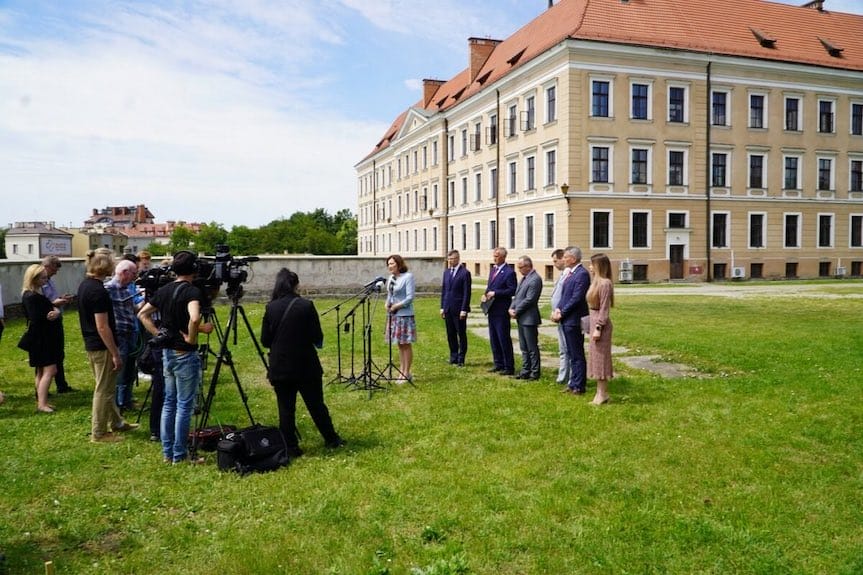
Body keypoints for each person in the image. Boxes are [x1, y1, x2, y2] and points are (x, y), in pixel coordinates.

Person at [138, 251, 212, 463]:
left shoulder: (164, 290)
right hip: (184, 355)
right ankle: (180, 454)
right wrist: (192, 337)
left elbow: (142, 314)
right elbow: (195, 317)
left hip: (167, 353)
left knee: (169, 403)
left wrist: (158, 334)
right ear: (194, 270)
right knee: (184, 405)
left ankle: (167, 452)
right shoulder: (192, 291)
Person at [261, 268, 344, 456]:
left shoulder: (271, 307)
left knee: (285, 409)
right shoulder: (306, 305)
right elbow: (317, 336)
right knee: (316, 405)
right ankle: (331, 438)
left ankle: (290, 446)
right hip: (306, 364)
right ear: (296, 285)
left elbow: (265, 340)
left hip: (280, 365)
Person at [77, 249, 138, 442]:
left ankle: (117, 422)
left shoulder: (85, 285)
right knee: (103, 390)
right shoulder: (99, 291)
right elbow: (102, 326)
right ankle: (99, 433)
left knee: (106, 387)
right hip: (101, 345)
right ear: (105, 267)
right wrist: (115, 353)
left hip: (91, 343)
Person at [21, 264, 64, 413]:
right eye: (43, 278)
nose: (45, 280)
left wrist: (55, 310)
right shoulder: (32, 297)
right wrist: (54, 313)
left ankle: (41, 401)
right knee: (50, 370)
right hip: (42, 339)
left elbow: (49, 309)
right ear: (34, 279)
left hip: (40, 338)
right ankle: (42, 404)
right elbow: (39, 317)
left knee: (41, 371)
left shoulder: (30, 295)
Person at [551, 246, 590, 395]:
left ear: (573, 259)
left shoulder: (582, 274)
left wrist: (562, 312)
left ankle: (579, 385)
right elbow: (564, 295)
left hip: (574, 319)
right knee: (572, 353)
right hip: (566, 318)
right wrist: (558, 309)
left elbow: (576, 298)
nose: (564, 259)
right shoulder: (570, 273)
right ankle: (573, 383)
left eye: (566, 257)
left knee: (577, 353)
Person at [105, 259, 141, 410]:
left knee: (130, 368)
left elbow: (134, 309)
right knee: (121, 367)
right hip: (119, 333)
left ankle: (127, 399)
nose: (135, 277)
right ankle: (118, 402)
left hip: (131, 331)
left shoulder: (126, 289)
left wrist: (148, 300)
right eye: (134, 273)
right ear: (125, 272)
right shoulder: (108, 289)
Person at [41, 256, 76, 393]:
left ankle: (61, 384)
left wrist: (61, 298)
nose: (56, 272)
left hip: (56, 319)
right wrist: (58, 302)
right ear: (47, 266)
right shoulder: (39, 282)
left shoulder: (49, 280)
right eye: (55, 268)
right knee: (47, 355)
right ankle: (43, 388)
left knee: (59, 353)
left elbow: (51, 298)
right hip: (48, 320)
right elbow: (43, 302)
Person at [482, 247, 517, 375]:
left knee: (503, 337)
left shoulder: (509, 272)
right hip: (491, 308)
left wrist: (496, 293)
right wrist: (485, 294)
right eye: (494, 255)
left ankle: (508, 366)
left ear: (503, 257)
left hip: (501, 309)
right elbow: (489, 287)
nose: (494, 258)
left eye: (497, 256)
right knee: (494, 338)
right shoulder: (493, 270)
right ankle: (498, 363)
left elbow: (512, 290)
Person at [509, 256, 543, 380]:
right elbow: (517, 296)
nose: (519, 270)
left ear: (528, 266)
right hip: (521, 317)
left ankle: (534, 372)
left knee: (531, 346)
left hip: (529, 318)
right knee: (523, 347)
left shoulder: (535, 279)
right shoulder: (524, 279)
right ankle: (525, 370)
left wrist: (516, 310)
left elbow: (530, 299)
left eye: (521, 267)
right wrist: (511, 308)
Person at [587, 253, 614, 405]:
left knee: (601, 359)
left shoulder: (605, 283)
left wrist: (598, 327)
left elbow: (604, 308)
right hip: (593, 321)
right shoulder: (595, 282)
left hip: (600, 325)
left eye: (592, 264)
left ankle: (602, 394)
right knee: (595, 358)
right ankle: (600, 393)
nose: (590, 267)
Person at [385, 254, 416, 382]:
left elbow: (410, 297)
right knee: (399, 344)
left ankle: (406, 373)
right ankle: (401, 371)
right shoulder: (391, 278)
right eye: (388, 264)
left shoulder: (408, 277)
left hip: (405, 315)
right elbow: (390, 295)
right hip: (393, 315)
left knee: (405, 344)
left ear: (399, 264)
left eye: (392, 263)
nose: (390, 266)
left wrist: (397, 306)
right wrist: (387, 304)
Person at [440, 249, 471, 367]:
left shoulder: (465, 273)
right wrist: (442, 307)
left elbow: (466, 293)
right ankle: (453, 356)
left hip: (459, 309)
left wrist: (464, 309)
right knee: (450, 334)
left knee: (461, 334)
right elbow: (444, 291)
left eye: (452, 259)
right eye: (449, 259)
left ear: (457, 259)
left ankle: (461, 358)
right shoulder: (447, 272)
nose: (450, 261)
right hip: (448, 308)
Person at [549, 248, 571, 384]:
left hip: (565, 315)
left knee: (567, 348)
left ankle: (568, 376)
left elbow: (567, 296)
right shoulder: (563, 274)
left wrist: (559, 311)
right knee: (562, 348)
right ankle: (563, 376)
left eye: (555, 261)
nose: (554, 264)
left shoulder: (569, 274)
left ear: (563, 259)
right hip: (558, 315)